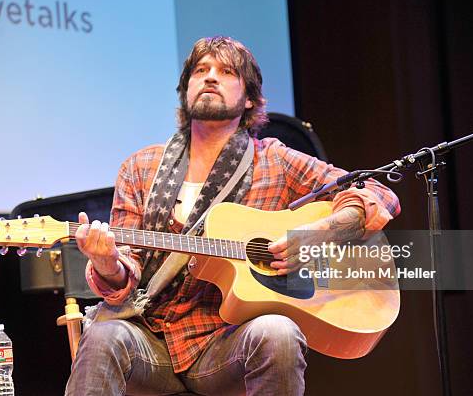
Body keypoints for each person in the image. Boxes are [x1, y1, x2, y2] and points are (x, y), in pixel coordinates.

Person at [65, 36, 400, 396]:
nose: (210, 78)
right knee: (102, 334)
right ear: (186, 89)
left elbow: (379, 193)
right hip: (151, 339)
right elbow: (121, 283)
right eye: (200, 70)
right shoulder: (141, 167)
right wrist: (106, 263)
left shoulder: (275, 161)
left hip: (225, 343)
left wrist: (322, 233)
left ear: (250, 98)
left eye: (226, 72)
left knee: (279, 332)